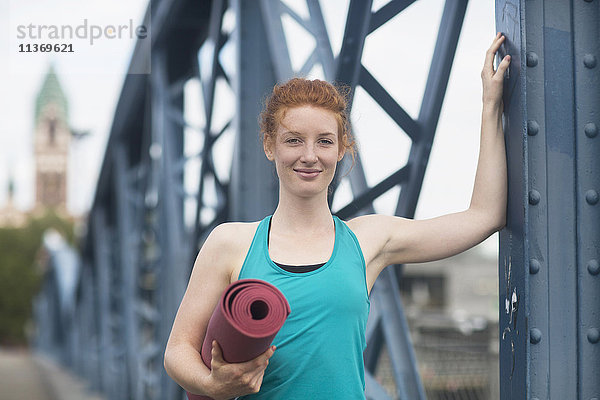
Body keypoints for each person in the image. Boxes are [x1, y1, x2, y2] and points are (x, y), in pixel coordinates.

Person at [164, 33, 511, 400]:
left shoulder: (370, 240)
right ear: (270, 146)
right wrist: (210, 386)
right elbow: (177, 351)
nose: (310, 155)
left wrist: (491, 107)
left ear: (343, 148)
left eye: (325, 141)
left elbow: (484, 216)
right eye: (293, 140)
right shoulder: (230, 243)